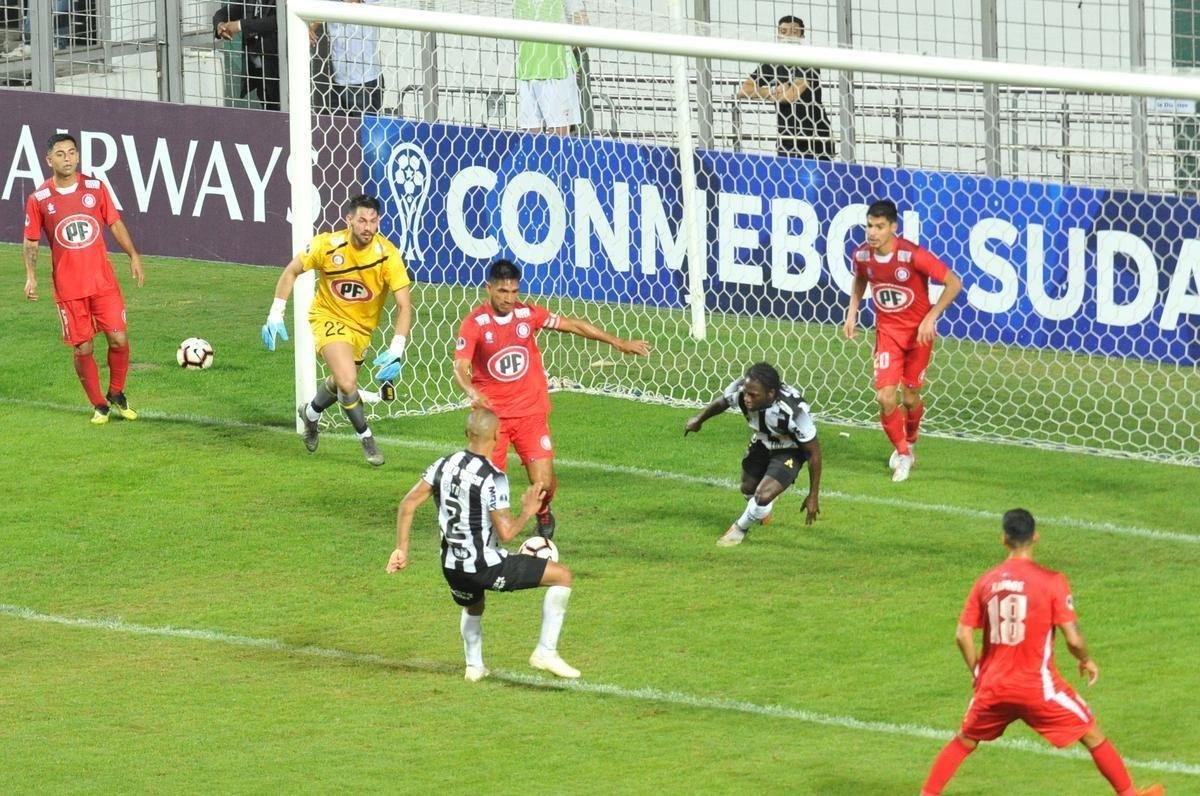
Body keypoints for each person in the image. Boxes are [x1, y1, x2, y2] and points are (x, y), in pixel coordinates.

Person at [921, 509, 1164, 796]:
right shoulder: (1051, 581)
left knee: (965, 740)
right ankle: (1129, 794)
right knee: (1090, 732)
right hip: (1037, 687)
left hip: (993, 685)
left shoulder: (985, 582)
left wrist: (978, 671)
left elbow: (962, 634)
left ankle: (927, 794)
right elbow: (1072, 638)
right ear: (1035, 536)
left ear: (1003, 539)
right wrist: (1085, 659)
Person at [453, 259, 650, 539]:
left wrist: (618, 342)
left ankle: (543, 512)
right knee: (490, 483)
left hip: (530, 413)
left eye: (514, 292)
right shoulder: (474, 324)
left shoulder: (528, 315)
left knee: (544, 483)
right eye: (502, 292)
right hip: (493, 418)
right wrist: (472, 391)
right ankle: (489, 536)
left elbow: (573, 325)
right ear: (489, 289)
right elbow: (459, 367)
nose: (509, 299)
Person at [386, 408, 582, 681]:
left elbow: (408, 504)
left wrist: (401, 548)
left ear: (468, 434)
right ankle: (546, 651)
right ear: (497, 435)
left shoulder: (442, 464)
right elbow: (506, 533)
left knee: (474, 605)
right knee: (562, 576)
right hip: (484, 566)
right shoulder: (493, 477)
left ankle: (474, 667)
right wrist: (528, 510)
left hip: (451, 566)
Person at [261, 193, 412, 466]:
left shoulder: (387, 255)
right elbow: (291, 271)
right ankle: (366, 437)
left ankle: (310, 413)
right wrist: (276, 312)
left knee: (341, 381)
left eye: (373, 221)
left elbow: (404, 305)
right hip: (328, 317)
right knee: (347, 382)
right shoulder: (328, 245)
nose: (368, 227)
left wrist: (397, 348)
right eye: (362, 221)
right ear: (349, 221)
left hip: (362, 329)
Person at [23, 133, 145, 425]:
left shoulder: (95, 187)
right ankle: (99, 405)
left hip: (103, 282)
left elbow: (114, 222)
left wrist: (133, 255)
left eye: (72, 153)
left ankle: (117, 392)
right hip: (69, 288)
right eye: (61, 154)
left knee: (118, 337)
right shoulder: (39, 199)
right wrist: (31, 277)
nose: (68, 159)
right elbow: (30, 242)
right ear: (49, 160)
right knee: (83, 347)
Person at [842, 199, 962, 483]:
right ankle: (903, 454)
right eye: (869, 226)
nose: (872, 232)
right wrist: (852, 311)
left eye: (879, 227)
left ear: (893, 227)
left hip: (919, 336)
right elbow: (860, 279)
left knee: (910, 398)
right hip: (888, 335)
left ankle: (912, 437)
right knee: (885, 396)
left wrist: (931, 317)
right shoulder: (862, 256)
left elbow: (954, 283)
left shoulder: (911, 255)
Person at [684, 362, 822, 546]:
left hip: (790, 449)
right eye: (746, 393)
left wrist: (813, 495)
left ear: (770, 394)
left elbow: (814, 454)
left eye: (753, 395)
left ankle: (738, 530)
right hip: (762, 441)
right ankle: (761, 510)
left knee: (762, 495)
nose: (747, 398)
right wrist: (698, 420)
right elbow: (722, 402)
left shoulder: (795, 413)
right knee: (748, 488)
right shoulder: (742, 391)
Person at [737, 15, 833, 160]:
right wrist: (772, 92)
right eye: (783, 31)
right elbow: (744, 90)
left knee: (819, 181)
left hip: (815, 136)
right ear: (778, 35)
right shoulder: (773, 62)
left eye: (794, 32)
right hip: (786, 136)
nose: (788, 36)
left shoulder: (809, 60)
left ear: (802, 37)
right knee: (786, 179)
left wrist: (776, 94)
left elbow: (790, 97)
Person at [514, 0, 587, 135]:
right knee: (535, 139)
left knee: (555, 139)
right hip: (531, 70)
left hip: (555, 70)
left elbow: (581, 26)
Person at [308, 0, 384, 117]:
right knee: (340, 132)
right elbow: (316, 15)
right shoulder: (330, 4)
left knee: (365, 132)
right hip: (337, 81)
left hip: (366, 82)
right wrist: (311, 27)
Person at [213, 0, 281, 110]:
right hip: (260, 70)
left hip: (281, 67)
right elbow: (224, 13)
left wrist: (240, 25)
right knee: (269, 108)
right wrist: (220, 26)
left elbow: (280, 19)